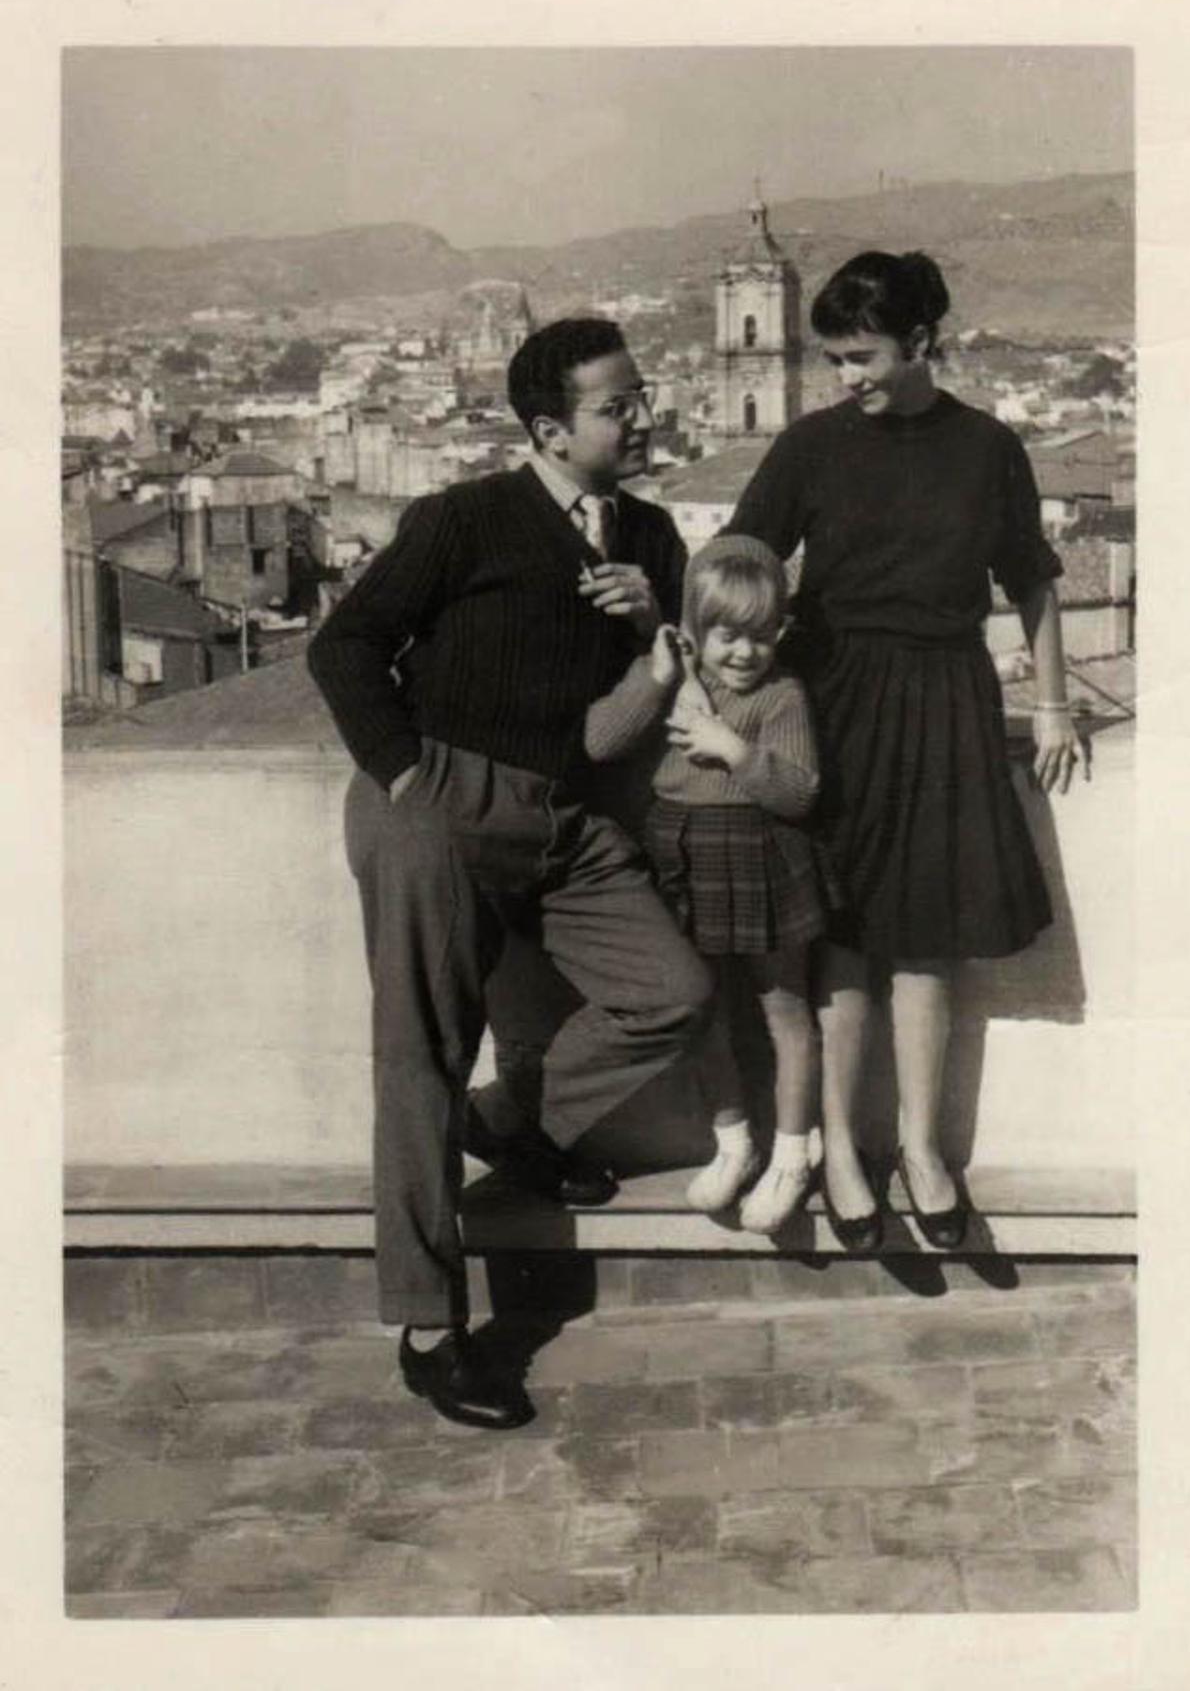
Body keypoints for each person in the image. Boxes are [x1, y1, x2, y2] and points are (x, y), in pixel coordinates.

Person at [308, 318, 712, 1430]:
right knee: (419, 1054)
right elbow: (343, 647)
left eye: (641, 397)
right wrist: (404, 779)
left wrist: (655, 635)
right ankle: (432, 1327)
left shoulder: (655, 535)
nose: (643, 417)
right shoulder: (462, 519)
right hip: (437, 804)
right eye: (616, 406)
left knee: (669, 992)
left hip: (565, 816)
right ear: (549, 428)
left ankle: (513, 1116)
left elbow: (621, 722)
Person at [725, 250, 1085, 1253]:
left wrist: (1053, 706)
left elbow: (1035, 583)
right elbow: (740, 563)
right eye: (835, 359)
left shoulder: (988, 447)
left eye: (863, 356)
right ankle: (842, 1150)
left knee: (923, 937)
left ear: (923, 343)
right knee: (841, 936)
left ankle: (922, 1150)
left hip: (944, 700)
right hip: (831, 700)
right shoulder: (808, 446)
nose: (847, 378)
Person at [585, 535, 830, 1234]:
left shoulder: (783, 697)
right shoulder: (675, 677)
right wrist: (655, 675)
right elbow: (601, 741)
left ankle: (790, 1155)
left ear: (780, 632)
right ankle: (734, 1141)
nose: (744, 653)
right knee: (705, 1010)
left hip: (759, 855)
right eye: (727, 636)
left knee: (784, 1011)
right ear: (698, 631)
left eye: (761, 636)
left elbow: (801, 791)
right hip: (682, 854)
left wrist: (736, 750)